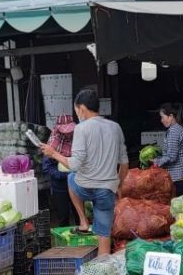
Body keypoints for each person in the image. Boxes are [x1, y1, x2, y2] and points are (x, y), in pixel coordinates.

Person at [42, 88, 128, 257]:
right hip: (107, 189)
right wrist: (119, 184)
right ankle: (102, 274)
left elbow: (74, 164)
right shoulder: (115, 127)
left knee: (71, 178)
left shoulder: (82, 129)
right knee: (104, 236)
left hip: (85, 187)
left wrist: (53, 153)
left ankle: (82, 221)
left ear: (81, 108)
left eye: (76, 110)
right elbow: (124, 163)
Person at [39, 114, 77, 227]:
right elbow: (47, 167)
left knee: (80, 216)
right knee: (63, 217)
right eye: (65, 131)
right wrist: (63, 175)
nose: (68, 134)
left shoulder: (78, 140)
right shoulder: (52, 145)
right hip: (60, 187)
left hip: (77, 185)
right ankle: (64, 242)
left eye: (70, 131)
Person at [152, 103, 183, 196]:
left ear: (170, 116)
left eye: (163, 117)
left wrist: (156, 162)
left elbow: (171, 156)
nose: (161, 120)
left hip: (178, 178)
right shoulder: (179, 128)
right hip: (182, 177)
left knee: (176, 207)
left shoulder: (174, 131)